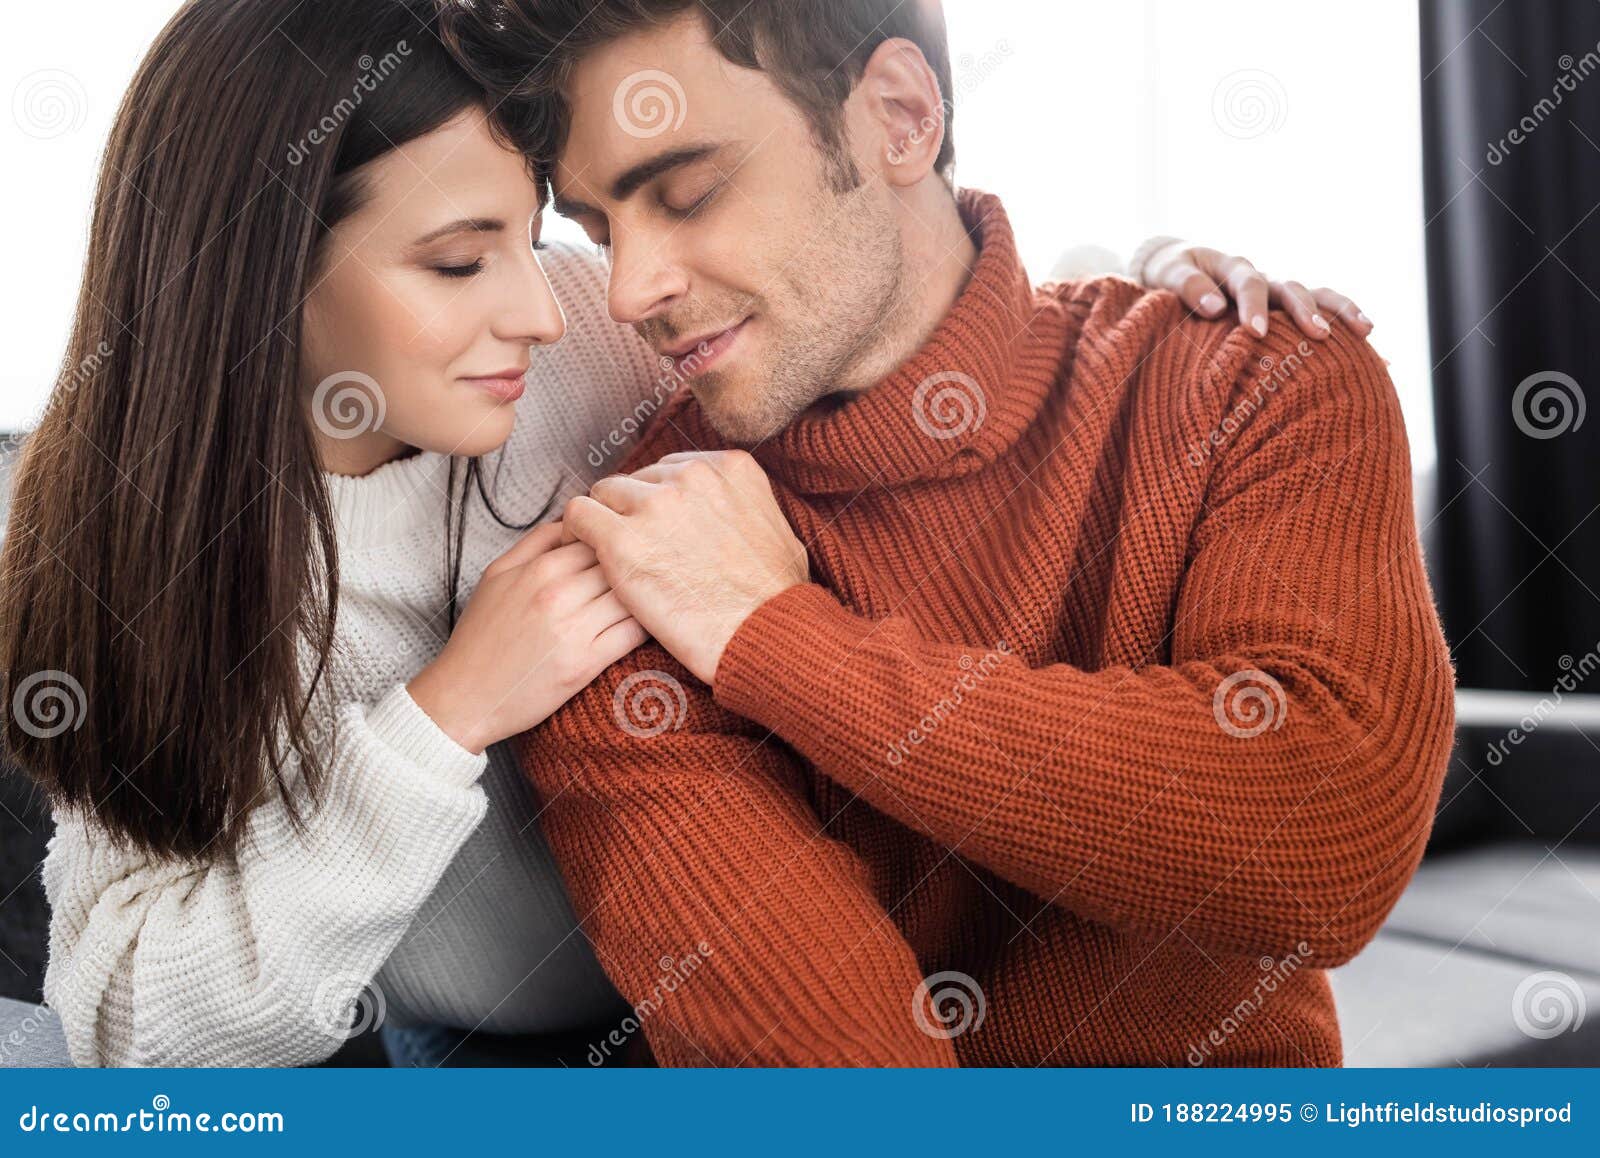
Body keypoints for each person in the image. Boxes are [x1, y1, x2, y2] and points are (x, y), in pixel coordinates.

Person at [0, 0, 1339, 1068]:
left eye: (542, 238)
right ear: (253, 270)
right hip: (490, 1042)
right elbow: (127, 1030)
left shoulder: (581, 335)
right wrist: (445, 712)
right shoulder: (121, 557)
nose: (547, 303)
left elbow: (863, 314)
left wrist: (1148, 298)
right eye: (462, 262)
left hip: (739, 986)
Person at [442, 0, 1457, 1067]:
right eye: (598, 230)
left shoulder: (1255, 375)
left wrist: (772, 638)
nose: (628, 289)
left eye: (687, 193)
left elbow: (1323, 846)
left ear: (898, 115)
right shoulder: (631, 561)